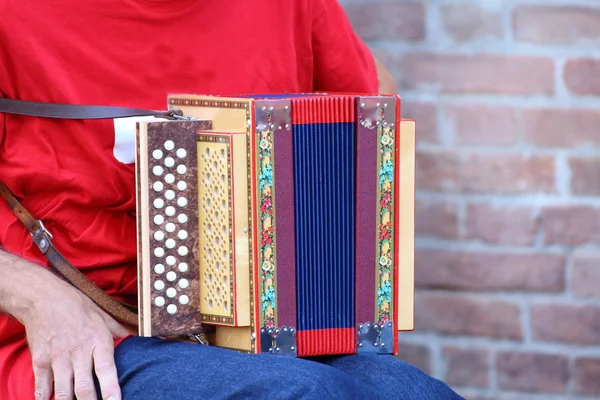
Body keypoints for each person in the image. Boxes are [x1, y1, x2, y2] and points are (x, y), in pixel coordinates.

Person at [0, 1, 464, 399]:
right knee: (301, 392)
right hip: (93, 327)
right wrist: (36, 297)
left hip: (265, 330)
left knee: (414, 392)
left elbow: (372, 107)